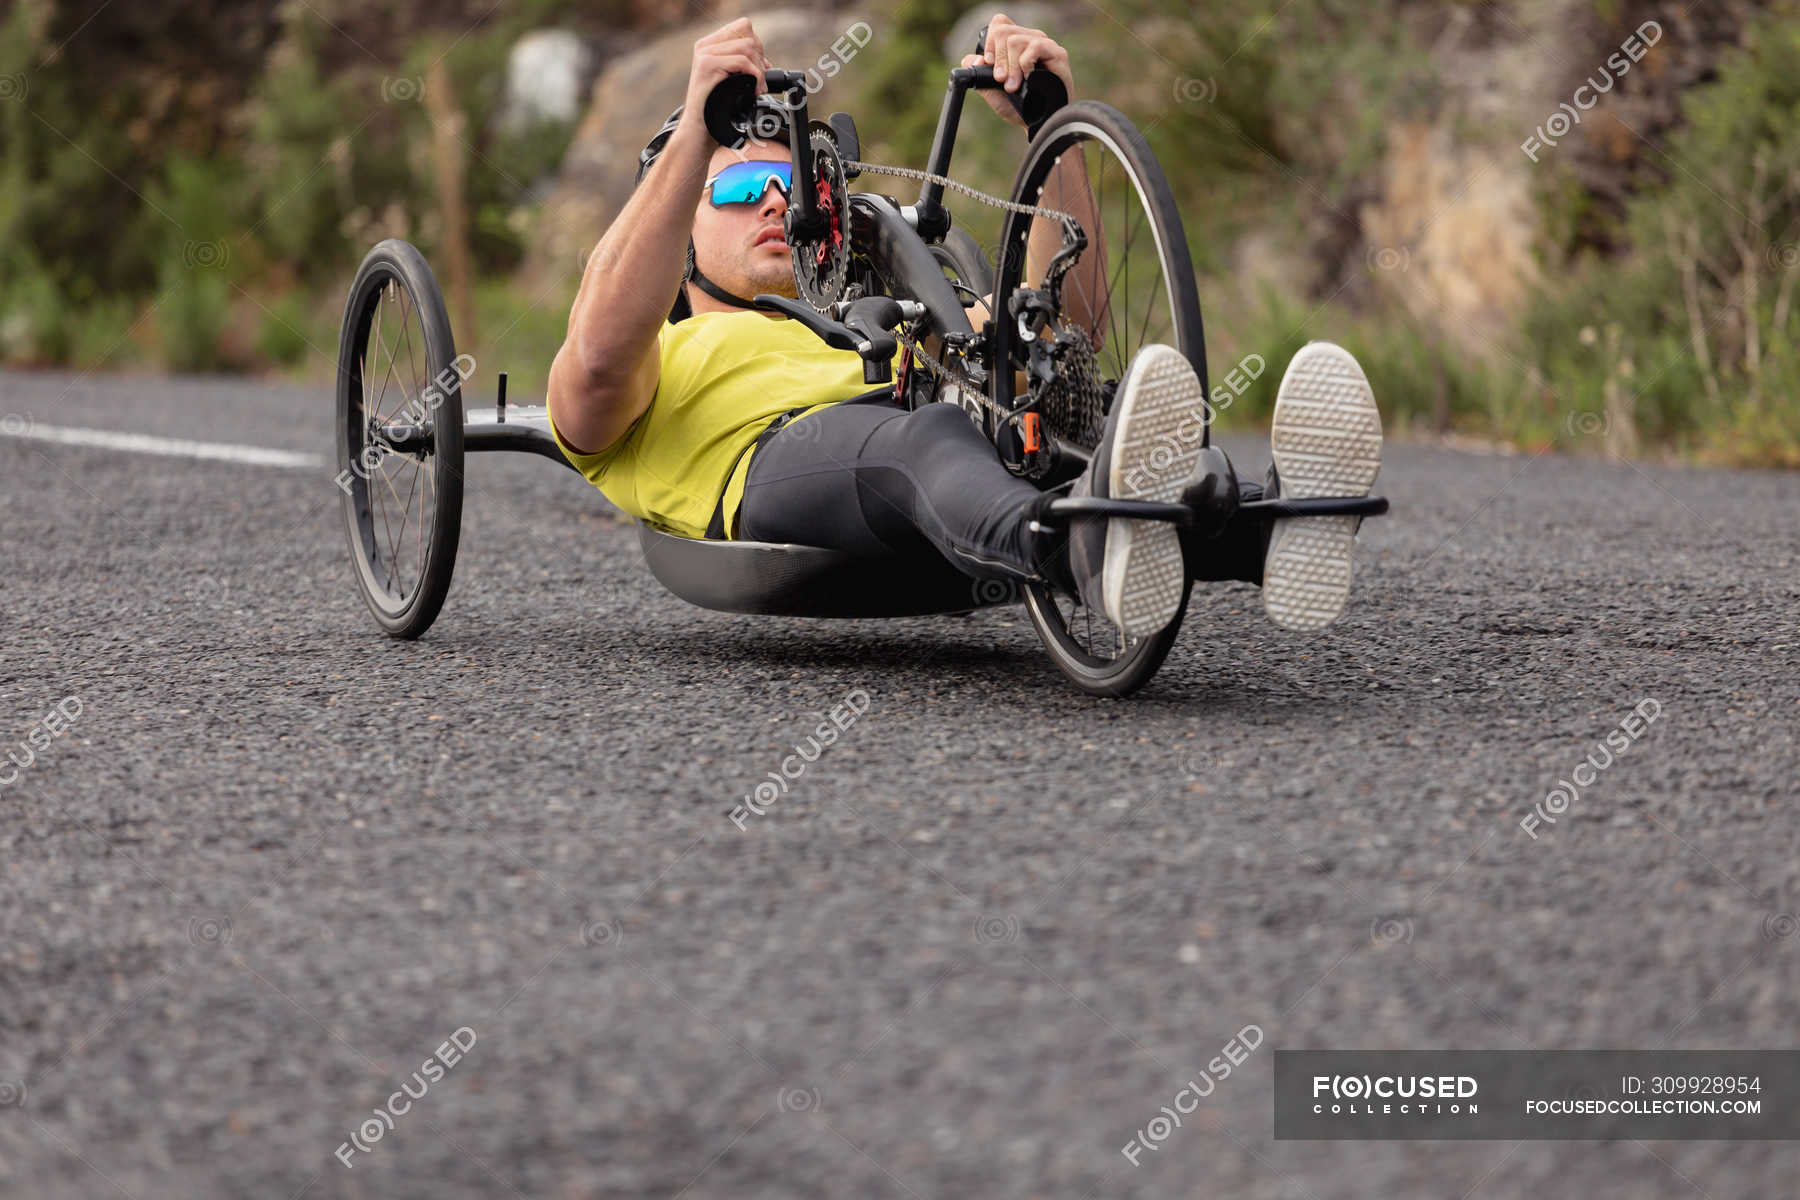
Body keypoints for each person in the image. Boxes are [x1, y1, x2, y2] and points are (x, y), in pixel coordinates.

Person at [545, 13, 1381, 637]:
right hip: (779, 467)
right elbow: (593, 357)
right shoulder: (657, 361)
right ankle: (1070, 547)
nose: (772, 198)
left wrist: (1052, 136)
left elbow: (1065, 331)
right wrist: (698, 131)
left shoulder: (884, 327)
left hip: (943, 452)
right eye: (733, 188)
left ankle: (1271, 523)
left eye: (790, 186)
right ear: (680, 229)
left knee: (1062, 389)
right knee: (929, 433)